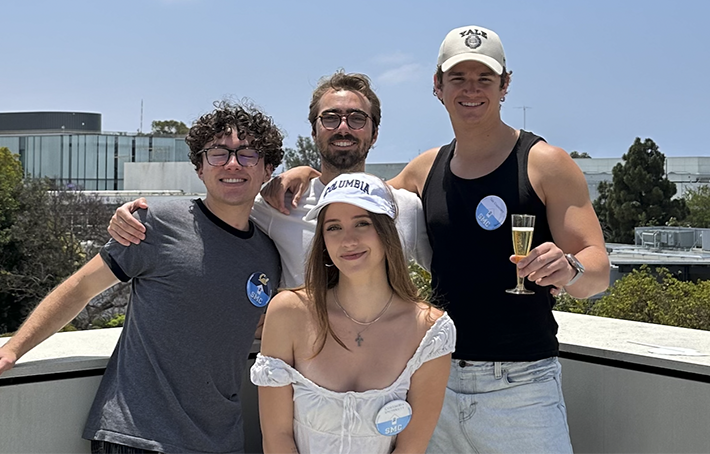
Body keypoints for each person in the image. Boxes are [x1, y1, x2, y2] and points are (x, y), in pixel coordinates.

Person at [266, 26, 610, 453]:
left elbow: (598, 271)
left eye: (484, 78)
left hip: (521, 384)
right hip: (433, 377)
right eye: (458, 79)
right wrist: (309, 176)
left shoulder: (546, 163)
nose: (471, 90)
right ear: (437, 86)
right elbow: (355, 203)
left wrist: (572, 267)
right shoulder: (426, 169)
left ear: (505, 85)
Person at [0, 101, 285, 454]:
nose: (232, 164)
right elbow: (81, 288)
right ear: (199, 167)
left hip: (221, 441)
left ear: (268, 169)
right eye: (218, 153)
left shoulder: (269, 255)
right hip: (135, 437)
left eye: (248, 154)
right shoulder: (155, 223)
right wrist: (12, 348)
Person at [107, 71, 431, 289]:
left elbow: (452, 276)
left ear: (374, 133)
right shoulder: (277, 204)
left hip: (392, 380)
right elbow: (212, 212)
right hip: (307, 381)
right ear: (314, 129)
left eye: (357, 118)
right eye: (330, 117)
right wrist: (140, 215)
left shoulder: (407, 208)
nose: (343, 127)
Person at [251, 172, 455, 454]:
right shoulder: (288, 312)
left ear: (388, 232)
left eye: (362, 224)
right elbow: (277, 437)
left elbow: (411, 448)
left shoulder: (430, 331)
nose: (348, 240)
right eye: (333, 228)